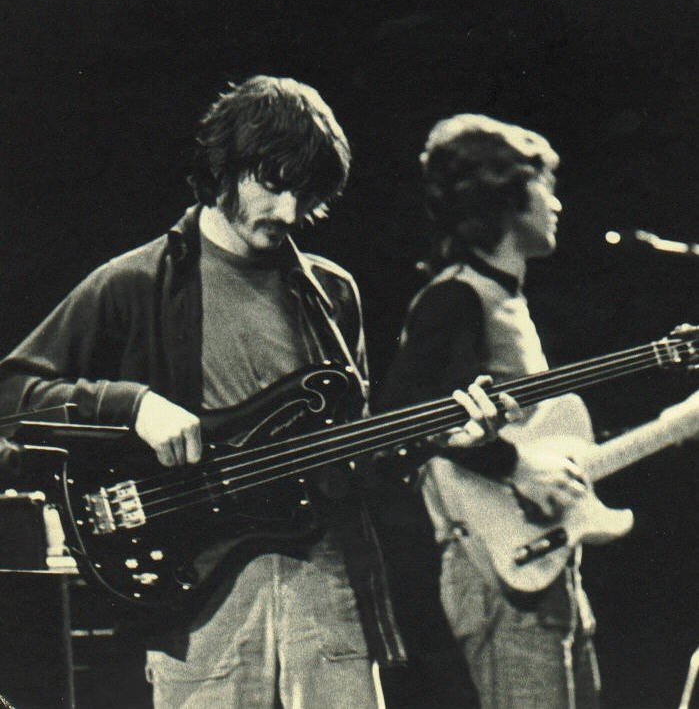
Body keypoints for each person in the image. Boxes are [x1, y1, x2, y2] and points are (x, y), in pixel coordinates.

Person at [0, 78, 515, 708]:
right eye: (272, 184)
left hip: (328, 592)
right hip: (201, 603)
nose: (289, 212)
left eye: (308, 194)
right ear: (225, 168)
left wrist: (441, 439)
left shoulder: (332, 293)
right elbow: (13, 394)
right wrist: (133, 406)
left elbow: (355, 460)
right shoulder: (135, 282)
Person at [379, 114, 601, 708]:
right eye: (544, 185)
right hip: (495, 575)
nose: (556, 203)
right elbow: (401, 414)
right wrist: (515, 465)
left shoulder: (501, 295)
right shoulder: (456, 296)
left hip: (540, 564)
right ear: (506, 193)